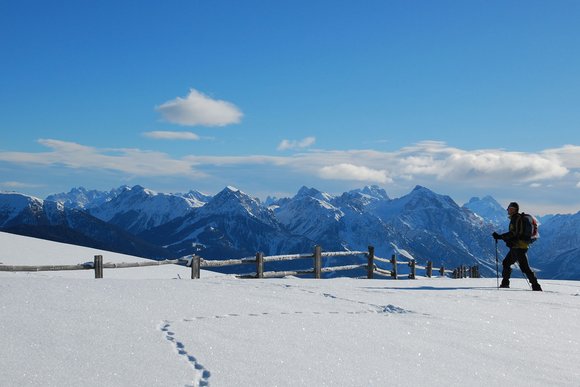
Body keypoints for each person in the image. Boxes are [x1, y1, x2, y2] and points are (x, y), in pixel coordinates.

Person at [492, 202, 542, 291]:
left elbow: (514, 233)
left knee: (524, 267)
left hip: (519, 247)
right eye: (509, 208)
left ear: (515, 210)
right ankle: (506, 283)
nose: (509, 210)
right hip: (519, 246)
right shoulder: (517, 218)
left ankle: (536, 286)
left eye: (511, 209)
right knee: (507, 263)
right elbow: (516, 233)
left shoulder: (516, 219)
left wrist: (500, 236)